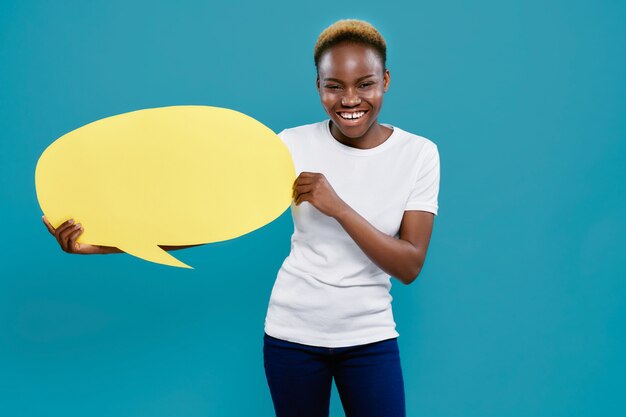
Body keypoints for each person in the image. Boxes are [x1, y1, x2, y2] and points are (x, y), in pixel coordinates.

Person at [42, 18, 440, 417]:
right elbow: (215, 220)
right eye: (333, 85)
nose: (349, 99)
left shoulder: (419, 154)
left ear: (385, 80)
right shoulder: (291, 145)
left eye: (365, 84)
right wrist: (103, 245)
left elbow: (408, 265)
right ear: (318, 86)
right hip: (291, 336)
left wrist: (336, 207)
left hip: (369, 338)